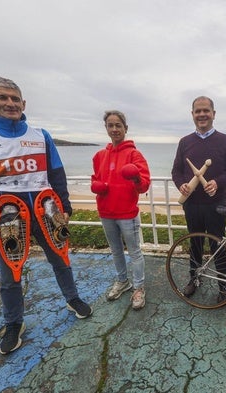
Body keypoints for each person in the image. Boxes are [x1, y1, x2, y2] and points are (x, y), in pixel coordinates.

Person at [0, 76, 92, 355]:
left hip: (47, 210)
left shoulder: (40, 136)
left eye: (14, 98)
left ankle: (73, 299)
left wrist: (65, 208)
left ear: (23, 103)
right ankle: (13, 324)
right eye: (2, 97)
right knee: (10, 275)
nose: (10, 103)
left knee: (61, 258)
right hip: (7, 217)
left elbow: (57, 173)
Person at [171, 96, 226, 300]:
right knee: (195, 242)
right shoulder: (185, 142)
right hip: (192, 204)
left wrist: (217, 182)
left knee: (218, 243)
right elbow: (176, 171)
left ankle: (224, 285)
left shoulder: (225, 140)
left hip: (216, 204)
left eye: (206, 111)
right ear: (192, 114)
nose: (202, 114)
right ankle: (194, 278)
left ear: (213, 114)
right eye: (197, 111)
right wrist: (181, 184)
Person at [91, 110, 151, 310]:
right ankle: (122, 281)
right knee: (116, 251)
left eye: (118, 125)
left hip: (127, 213)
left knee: (134, 252)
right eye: (110, 125)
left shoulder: (134, 154)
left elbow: (144, 186)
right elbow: (95, 179)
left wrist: (135, 178)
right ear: (106, 128)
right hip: (106, 212)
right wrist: (96, 186)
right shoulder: (100, 155)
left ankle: (139, 288)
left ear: (126, 128)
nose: (114, 129)